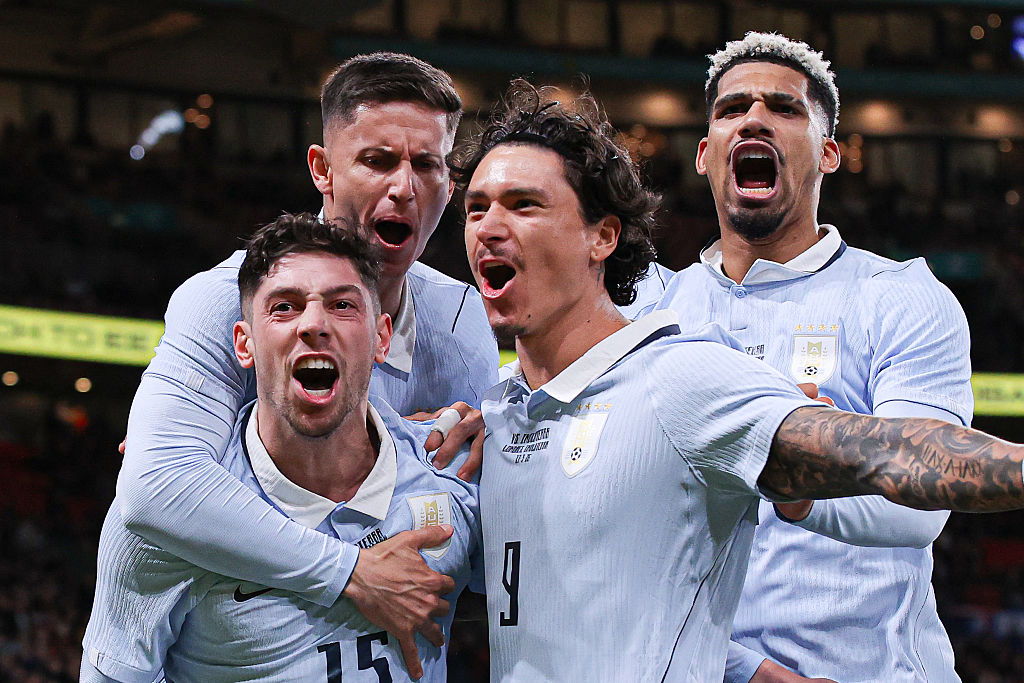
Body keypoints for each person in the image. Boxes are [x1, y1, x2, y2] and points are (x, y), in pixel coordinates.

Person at [451, 79, 1024, 682]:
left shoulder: (677, 370)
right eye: (475, 208)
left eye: (524, 204)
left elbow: (892, 457)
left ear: (603, 236)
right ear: (704, 153)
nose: (489, 226)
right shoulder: (513, 405)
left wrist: (796, 473)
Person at [105, 53, 497, 679]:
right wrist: (352, 573)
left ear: (449, 185)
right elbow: (157, 488)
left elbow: (468, 532)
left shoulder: (460, 317)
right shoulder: (224, 298)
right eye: (378, 160)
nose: (405, 187)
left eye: (427, 165)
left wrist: (491, 438)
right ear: (322, 170)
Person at [654, 32, 966, 682]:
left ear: (828, 153)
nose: (754, 118)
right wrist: (742, 669)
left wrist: (801, 489)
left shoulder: (899, 296)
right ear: (705, 153)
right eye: (732, 107)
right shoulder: (649, 314)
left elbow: (920, 500)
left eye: (784, 107)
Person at [83, 213, 482, 682]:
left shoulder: (454, 471)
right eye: (285, 307)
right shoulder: (169, 528)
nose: (313, 324)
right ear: (244, 343)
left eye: (342, 305)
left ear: (381, 338)